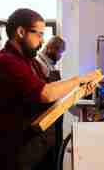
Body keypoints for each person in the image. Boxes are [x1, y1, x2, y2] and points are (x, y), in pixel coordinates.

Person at [0, 8, 97, 170]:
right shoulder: (5, 62)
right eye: (39, 34)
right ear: (21, 32)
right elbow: (45, 94)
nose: (43, 41)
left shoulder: (29, 61)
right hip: (16, 151)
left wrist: (80, 91)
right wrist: (79, 79)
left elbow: (52, 94)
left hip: (36, 147)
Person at [36, 36, 66, 170]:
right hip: (47, 120)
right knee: (47, 160)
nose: (60, 56)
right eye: (59, 52)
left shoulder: (49, 64)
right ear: (49, 48)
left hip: (55, 118)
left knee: (55, 156)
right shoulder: (39, 64)